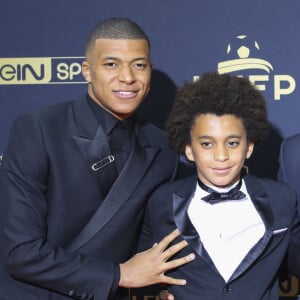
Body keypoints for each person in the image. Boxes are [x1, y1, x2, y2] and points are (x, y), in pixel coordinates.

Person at [0, 18, 194, 300]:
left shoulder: (162, 148)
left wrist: (161, 285)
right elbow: (20, 252)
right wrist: (120, 275)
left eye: (139, 65)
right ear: (87, 71)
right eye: (111, 64)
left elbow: (148, 245)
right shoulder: (40, 129)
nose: (127, 77)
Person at [138, 72, 300, 299]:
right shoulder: (162, 201)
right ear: (188, 149)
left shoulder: (281, 199)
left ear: (249, 147)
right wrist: (160, 291)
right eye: (207, 144)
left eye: (232, 143)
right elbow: (142, 273)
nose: (221, 155)